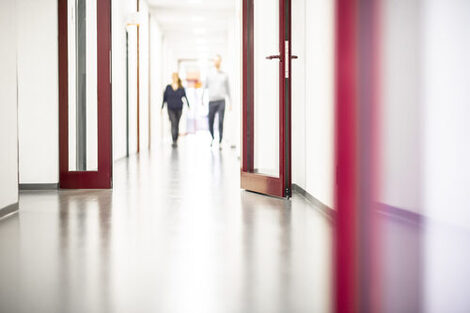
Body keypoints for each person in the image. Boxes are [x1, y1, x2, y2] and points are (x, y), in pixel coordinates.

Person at [205, 55, 231, 148]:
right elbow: (205, 87)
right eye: (215, 60)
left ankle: (220, 141)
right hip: (211, 101)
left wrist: (230, 102)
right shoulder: (209, 74)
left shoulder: (224, 74)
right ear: (213, 62)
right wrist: (202, 100)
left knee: (220, 121)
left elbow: (228, 89)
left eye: (218, 60)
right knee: (210, 121)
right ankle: (212, 137)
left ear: (220, 61)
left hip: (221, 101)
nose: (217, 62)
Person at [162, 73, 190, 147]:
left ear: (177, 78)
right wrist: (161, 107)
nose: (174, 78)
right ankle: (173, 140)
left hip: (179, 108)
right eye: (173, 77)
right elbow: (164, 98)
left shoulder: (181, 88)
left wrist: (189, 106)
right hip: (170, 108)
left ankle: (176, 139)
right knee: (173, 122)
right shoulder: (168, 87)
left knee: (177, 123)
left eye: (176, 77)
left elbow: (185, 97)